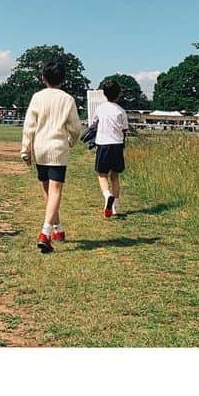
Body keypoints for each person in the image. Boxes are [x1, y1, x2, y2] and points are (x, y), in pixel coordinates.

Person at [20, 60, 82, 253]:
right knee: (56, 190)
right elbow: (76, 128)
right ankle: (45, 233)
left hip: (40, 148)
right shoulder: (67, 99)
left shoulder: (37, 97)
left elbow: (29, 126)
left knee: (47, 189)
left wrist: (25, 149)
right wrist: (70, 141)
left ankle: (57, 228)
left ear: (43, 78)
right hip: (57, 148)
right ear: (63, 79)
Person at [91, 78, 129, 217]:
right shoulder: (121, 111)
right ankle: (115, 207)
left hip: (103, 144)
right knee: (115, 176)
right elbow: (125, 129)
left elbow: (94, 123)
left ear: (104, 94)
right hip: (117, 145)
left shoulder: (100, 108)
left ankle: (107, 195)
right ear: (118, 94)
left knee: (102, 174)